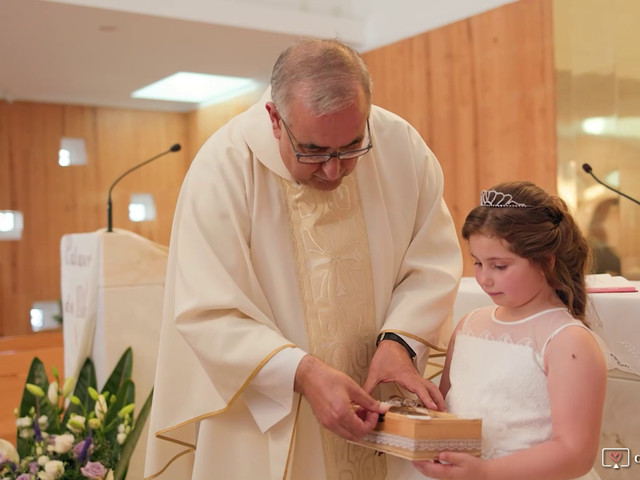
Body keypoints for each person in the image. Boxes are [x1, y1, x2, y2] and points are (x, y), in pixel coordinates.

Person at [144, 38, 462, 480]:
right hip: (270, 421)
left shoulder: (401, 146)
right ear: (275, 118)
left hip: (384, 414)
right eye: (313, 151)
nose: (334, 170)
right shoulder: (223, 167)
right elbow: (206, 310)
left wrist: (400, 344)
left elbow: (432, 261)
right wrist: (303, 372)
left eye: (351, 147)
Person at [413, 181, 608, 480]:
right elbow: (447, 415)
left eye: (499, 266)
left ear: (546, 261)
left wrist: (487, 473)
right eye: (478, 263)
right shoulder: (470, 324)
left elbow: (575, 453)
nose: (483, 279)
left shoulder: (568, 341)